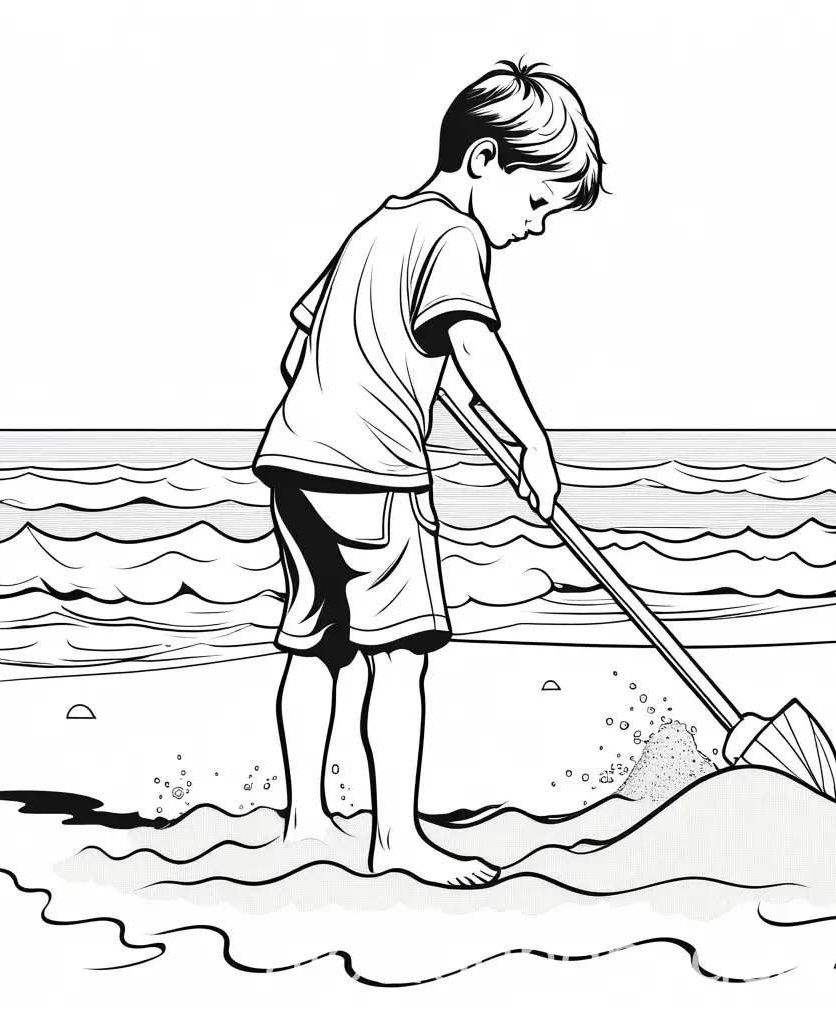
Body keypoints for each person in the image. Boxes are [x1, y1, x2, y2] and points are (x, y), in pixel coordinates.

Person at [252, 59, 605, 887]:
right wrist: (532, 442)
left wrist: (384, 365)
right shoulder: (453, 235)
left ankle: (306, 820)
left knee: (317, 646)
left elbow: (294, 350)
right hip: (375, 471)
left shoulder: (374, 228)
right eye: (536, 200)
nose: (537, 226)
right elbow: (474, 343)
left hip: (295, 460)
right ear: (483, 161)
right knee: (398, 653)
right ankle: (396, 841)